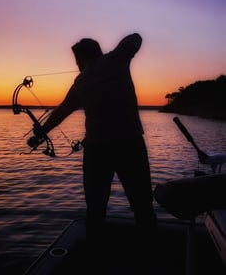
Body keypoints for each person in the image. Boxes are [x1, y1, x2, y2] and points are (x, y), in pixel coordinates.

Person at [32, 33, 157, 247]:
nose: (77, 65)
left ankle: (96, 251)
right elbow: (135, 38)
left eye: (77, 60)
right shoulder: (114, 62)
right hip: (128, 145)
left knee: (96, 206)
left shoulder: (93, 74)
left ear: (82, 58)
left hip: (100, 151)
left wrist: (41, 133)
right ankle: (150, 249)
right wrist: (111, 57)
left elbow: (60, 112)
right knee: (141, 204)